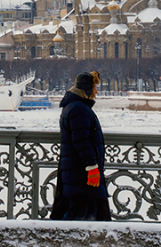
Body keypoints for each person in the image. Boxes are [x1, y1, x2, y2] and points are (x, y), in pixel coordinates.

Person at [51, 71, 111, 221]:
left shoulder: (74, 106)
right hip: (81, 176)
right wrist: (92, 167)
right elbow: (81, 140)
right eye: (95, 87)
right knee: (80, 218)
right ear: (87, 89)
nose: (96, 91)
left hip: (76, 173)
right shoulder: (79, 109)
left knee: (81, 215)